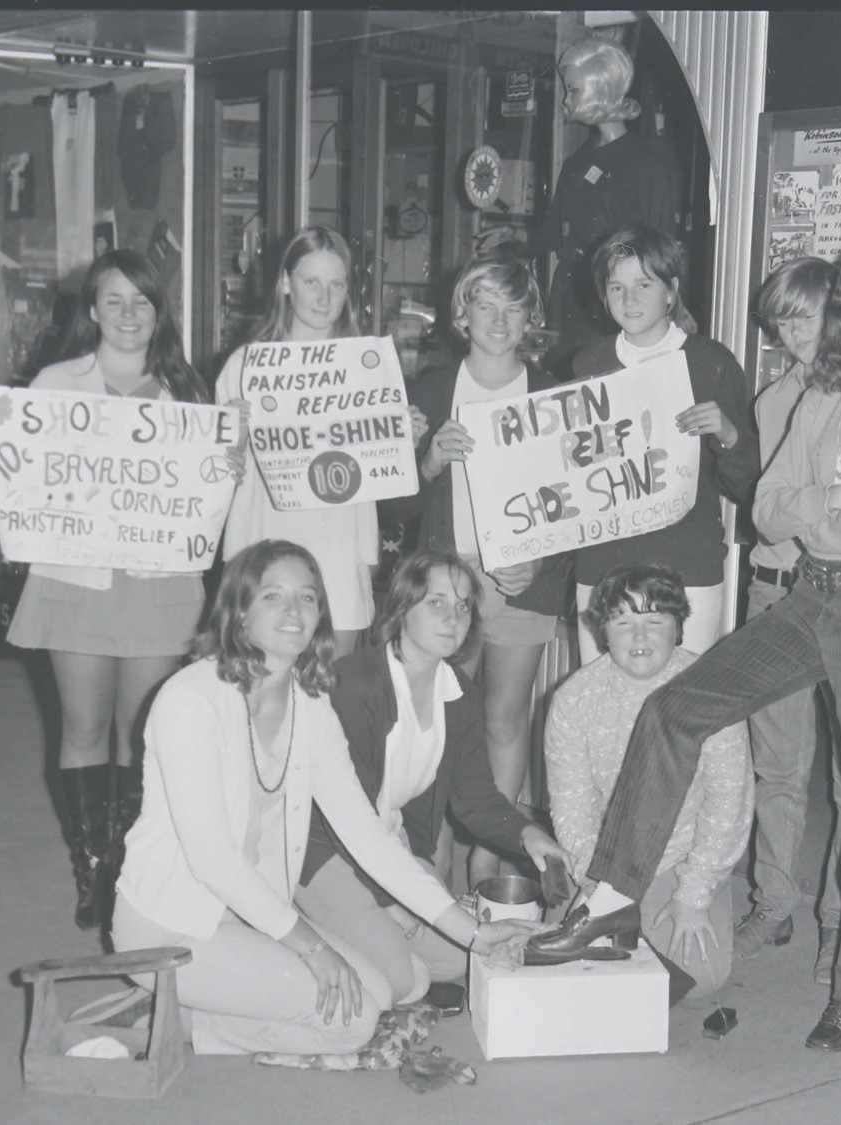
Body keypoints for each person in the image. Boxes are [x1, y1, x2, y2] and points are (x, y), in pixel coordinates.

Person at [528, 229, 841, 1055]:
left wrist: (821, 504)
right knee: (679, 707)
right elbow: (767, 507)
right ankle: (612, 899)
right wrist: (834, 501)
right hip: (811, 595)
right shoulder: (825, 384)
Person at [110, 540, 537, 1055]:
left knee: (375, 992)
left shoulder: (307, 702)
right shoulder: (190, 699)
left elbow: (365, 836)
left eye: (308, 598)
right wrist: (310, 947)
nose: (293, 611)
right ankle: (170, 1022)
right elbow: (213, 860)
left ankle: (200, 1004)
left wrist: (472, 934)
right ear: (238, 610)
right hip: (173, 923)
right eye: (273, 596)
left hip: (248, 912)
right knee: (352, 1020)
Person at [0, 249, 217, 931]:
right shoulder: (56, 384)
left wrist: (224, 465)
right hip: (75, 579)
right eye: (113, 301)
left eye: (140, 302)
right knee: (83, 727)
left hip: (159, 582)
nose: (127, 315)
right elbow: (21, 473)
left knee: (141, 733)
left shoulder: (188, 393)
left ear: (158, 312)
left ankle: (128, 866)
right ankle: (91, 867)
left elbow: (205, 497)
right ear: (92, 311)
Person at [298, 549, 576, 1001]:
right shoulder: (357, 683)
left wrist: (528, 835)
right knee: (404, 980)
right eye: (436, 602)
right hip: (321, 848)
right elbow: (351, 826)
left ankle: (360, 932)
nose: (454, 617)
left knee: (456, 961)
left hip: (385, 845)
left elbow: (475, 798)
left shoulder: (456, 689)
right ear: (402, 608)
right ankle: (294, 922)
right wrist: (391, 902)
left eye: (464, 605)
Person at [391, 254, 572, 884]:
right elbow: (395, 507)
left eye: (513, 306)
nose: (499, 319)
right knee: (442, 715)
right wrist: (429, 463)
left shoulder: (554, 394)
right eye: (485, 305)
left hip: (524, 576)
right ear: (461, 314)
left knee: (504, 714)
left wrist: (543, 557)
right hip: (447, 578)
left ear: (531, 319)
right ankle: (434, 840)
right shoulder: (429, 390)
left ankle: (492, 849)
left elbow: (580, 498)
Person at [538, 564, 752, 1004]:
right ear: (603, 632)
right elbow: (571, 806)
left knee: (701, 981)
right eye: (623, 622)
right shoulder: (573, 700)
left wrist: (694, 894)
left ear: (677, 629)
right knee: (559, 962)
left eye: (654, 621)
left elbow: (729, 802)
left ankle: (646, 929)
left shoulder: (712, 694)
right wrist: (596, 887)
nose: (639, 637)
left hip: (680, 856)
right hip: (604, 860)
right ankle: (623, 932)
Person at [729, 258, 841, 975]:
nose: (789, 332)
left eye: (802, 316)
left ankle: (839, 917)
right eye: (780, 320)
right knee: (777, 762)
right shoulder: (772, 398)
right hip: (774, 587)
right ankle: (773, 903)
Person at [567, 224, 761, 658]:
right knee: (603, 710)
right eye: (616, 286)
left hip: (685, 568)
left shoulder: (711, 363)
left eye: (643, 284)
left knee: (676, 709)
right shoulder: (588, 365)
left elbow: (747, 486)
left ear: (671, 292)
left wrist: (728, 435)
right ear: (603, 295)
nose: (629, 299)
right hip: (603, 568)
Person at [217, 227, 399, 652]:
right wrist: (231, 436)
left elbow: (379, 470)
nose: (323, 298)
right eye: (310, 282)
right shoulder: (246, 365)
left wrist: (399, 430)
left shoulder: (367, 367)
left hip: (338, 548)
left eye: (336, 285)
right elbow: (220, 474)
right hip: (263, 542)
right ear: (285, 283)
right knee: (261, 693)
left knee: (333, 698)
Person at [528, 37, 679, 377]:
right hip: (568, 298)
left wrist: (614, 257)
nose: (566, 100)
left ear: (600, 90)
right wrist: (514, 238)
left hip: (616, 302)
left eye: (574, 90)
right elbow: (553, 233)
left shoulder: (646, 163)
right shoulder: (577, 162)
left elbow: (659, 246)